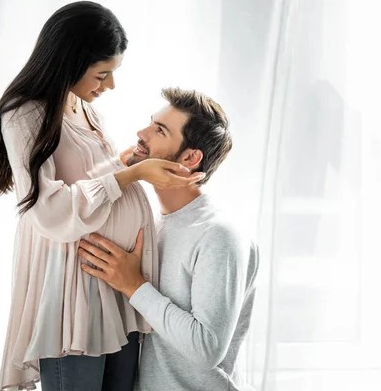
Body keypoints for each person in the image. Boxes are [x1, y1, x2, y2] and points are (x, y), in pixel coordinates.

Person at [0, 2, 204, 391]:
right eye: (103, 74)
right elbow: (49, 209)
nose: (110, 86)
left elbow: (88, 176)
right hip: (74, 292)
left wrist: (127, 162)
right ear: (70, 62)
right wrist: (133, 173)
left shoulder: (83, 107)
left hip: (114, 286)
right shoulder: (25, 116)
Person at [80, 87, 259, 391]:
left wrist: (133, 285)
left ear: (190, 157)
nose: (141, 133)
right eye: (151, 123)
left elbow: (206, 348)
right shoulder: (152, 223)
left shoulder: (218, 234)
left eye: (159, 130)